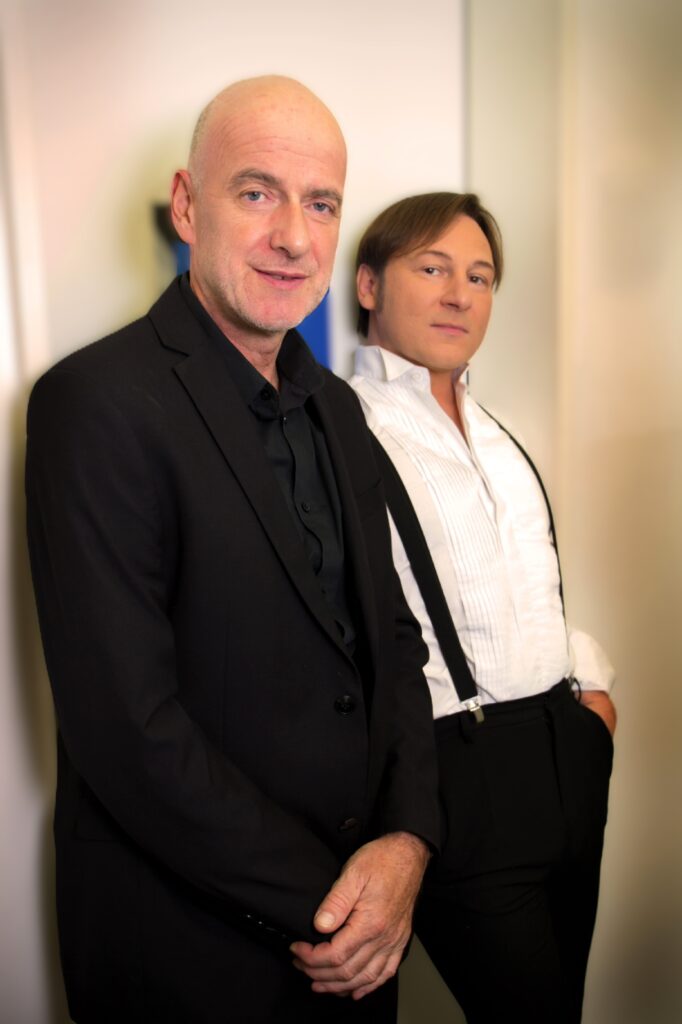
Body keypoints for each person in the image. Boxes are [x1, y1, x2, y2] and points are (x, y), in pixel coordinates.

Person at [25, 78, 439, 1024]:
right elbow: (126, 729)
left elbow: (393, 644)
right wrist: (337, 905)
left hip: (361, 943)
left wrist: (408, 843)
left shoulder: (340, 410)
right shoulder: (95, 403)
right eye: (257, 192)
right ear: (186, 205)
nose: (294, 236)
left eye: (321, 203)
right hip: (191, 953)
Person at [349, 191, 616, 1024]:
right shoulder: (342, 428)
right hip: (459, 771)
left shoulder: (498, 432)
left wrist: (592, 697)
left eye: (480, 276)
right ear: (368, 285)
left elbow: (530, 582)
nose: (460, 295)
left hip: (566, 757)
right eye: (432, 269)